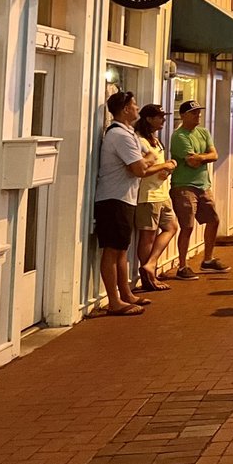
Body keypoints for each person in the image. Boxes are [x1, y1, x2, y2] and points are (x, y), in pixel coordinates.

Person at [96, 91, 159, 315]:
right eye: (133, 105)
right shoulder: (119, 136)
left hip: (125, 197)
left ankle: (125, 293)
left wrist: (146, 159)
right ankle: (114, 301)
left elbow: (146, 156)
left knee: (122, 248)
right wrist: (149, 160)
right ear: (124, 109)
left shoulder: (128, 133)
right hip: (113, 198)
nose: (137, 108)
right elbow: (140, 168)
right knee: (112, 250)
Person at [169, 100, 230, 279]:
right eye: (194, 113)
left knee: (214, 220)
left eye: (198, 112)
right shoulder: (179, 136)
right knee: (187, 226)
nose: (198, 116)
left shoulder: (203, 132)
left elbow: (214, 155)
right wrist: (205, 157)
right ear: (184, 115)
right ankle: (182, 265)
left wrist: (201, 157)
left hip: (203, 185)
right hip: (184, 186)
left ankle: (208, 259)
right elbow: (192, 162)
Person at [134, 104, 178, 292]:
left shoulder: (155, 140)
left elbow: (159, 165)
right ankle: (148, 277)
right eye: (159, 117)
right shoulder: (139, 140)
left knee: (172, 227)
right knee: (148, 236)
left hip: (161, 192)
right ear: (149, 119)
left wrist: (169, 167)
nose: (163, 120)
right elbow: (141, 170)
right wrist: (164, 166)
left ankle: (150, 265)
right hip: (147, 195)